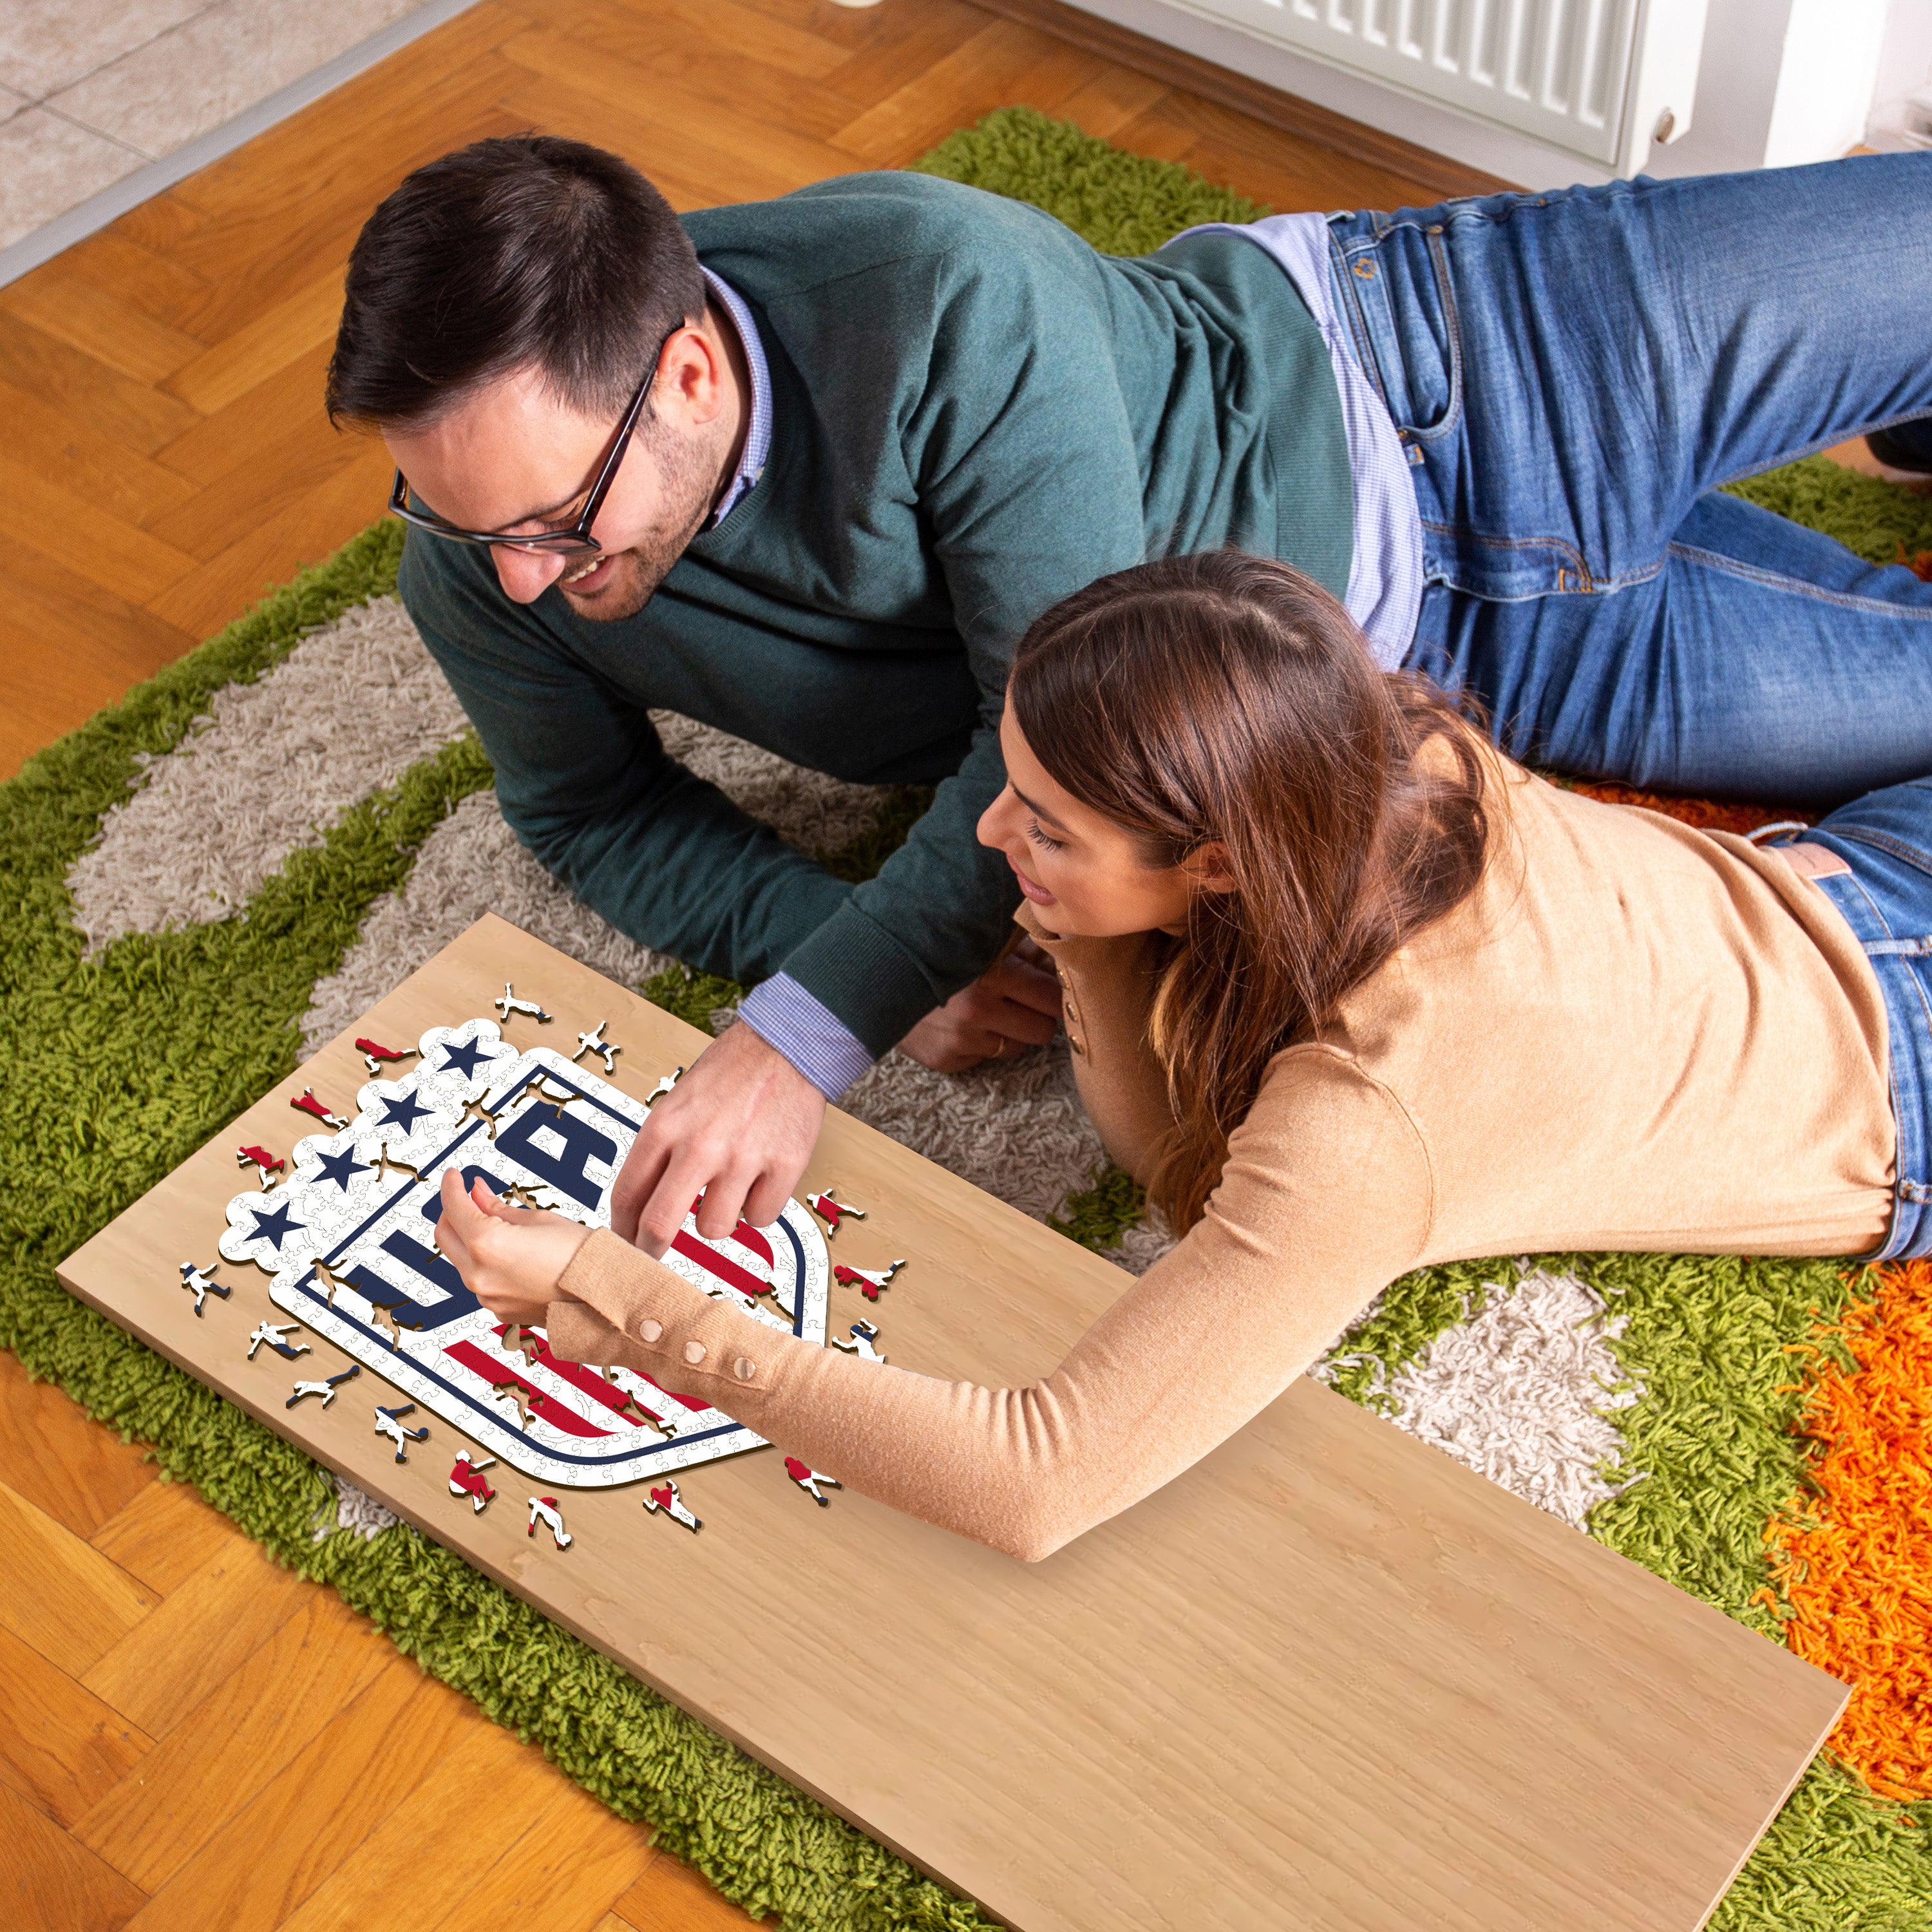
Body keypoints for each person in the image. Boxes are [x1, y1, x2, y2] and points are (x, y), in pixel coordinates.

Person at [327, 135, 1932, 1255]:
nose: (517, 580)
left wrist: (804, 1027)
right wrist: (807, 930)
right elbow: (584, 805)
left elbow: (1043, 717)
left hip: (1462, 360)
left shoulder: (941, 289)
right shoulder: (477, 564)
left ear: (684, 375)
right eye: (459, 520)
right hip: (1417, 672)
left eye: (552, 521)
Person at [430, 552, 1929, 1562]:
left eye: (1050, 825)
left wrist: (612, 1294)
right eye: (1008, 787)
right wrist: (1076, 915)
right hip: (1847, 868)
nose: (986, 837)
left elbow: (1036, 1477)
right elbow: (1177, 1153)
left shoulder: (1367, 1125)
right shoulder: (1359, 729)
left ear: (1217, 865)